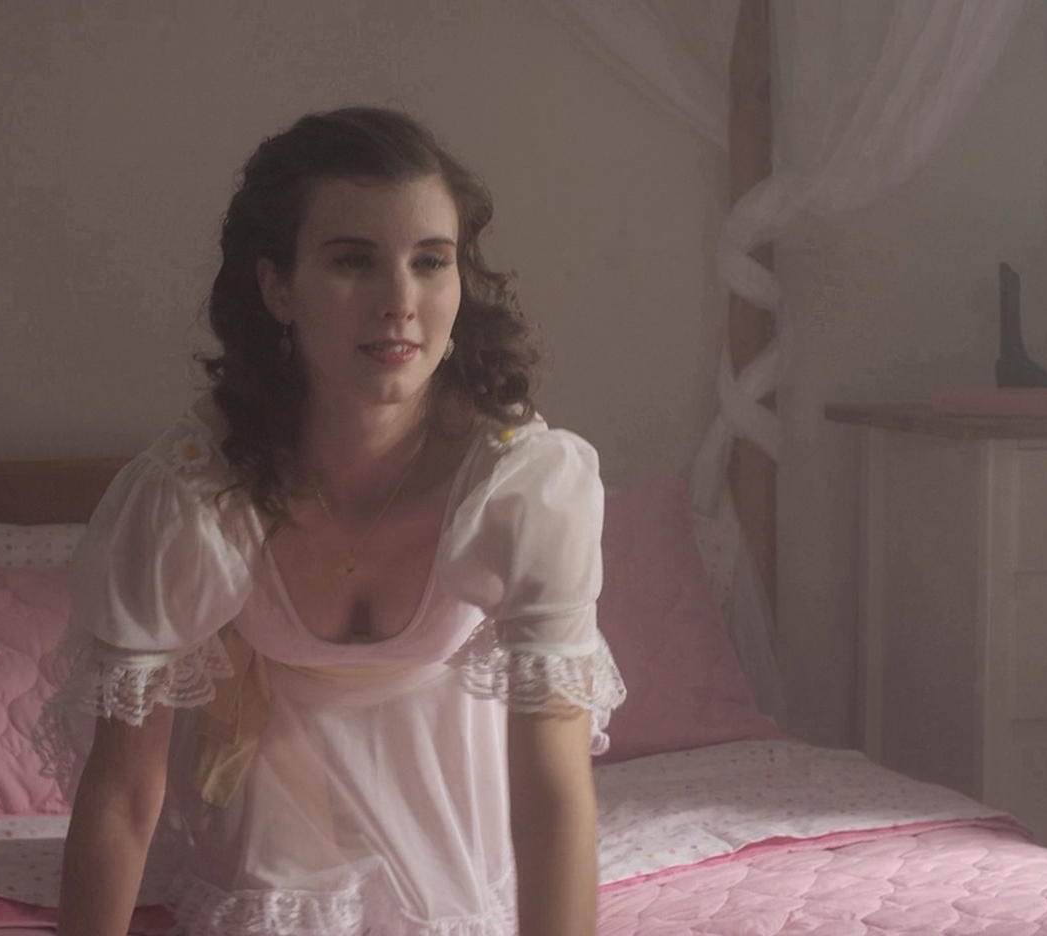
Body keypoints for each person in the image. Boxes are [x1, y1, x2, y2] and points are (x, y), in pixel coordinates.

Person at [36, 106, 625, 936]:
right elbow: (125, 795)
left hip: (464, 840)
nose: (400, 302)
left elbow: (553, 793)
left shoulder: (521, 488)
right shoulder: (194, 496)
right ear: (278, 288)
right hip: (272, 835)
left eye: (431, 262)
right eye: (354, 261)